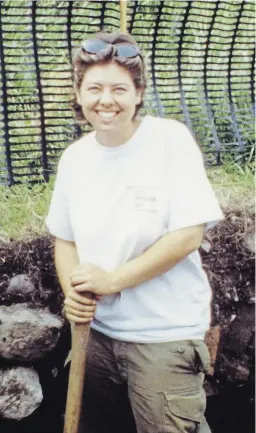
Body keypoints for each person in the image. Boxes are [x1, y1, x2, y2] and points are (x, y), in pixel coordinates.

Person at [46, 31, 224, 433]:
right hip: (95, 335)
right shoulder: (75, 160)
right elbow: (65, 238)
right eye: (94, 88)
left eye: (118, 89)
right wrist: (73, 295)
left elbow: (186, 235)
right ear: (78, 93)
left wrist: (111, 281)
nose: (105, 100)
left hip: (164, 336)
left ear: (139, 93)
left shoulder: (168, 140)